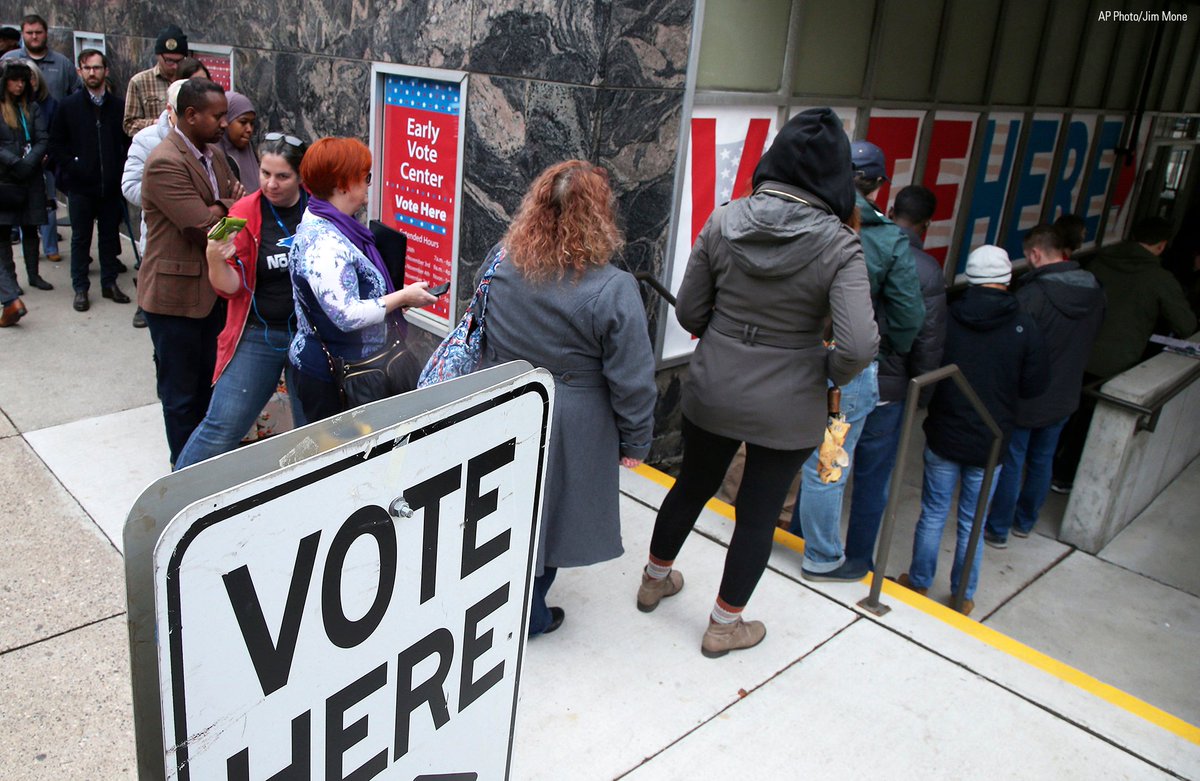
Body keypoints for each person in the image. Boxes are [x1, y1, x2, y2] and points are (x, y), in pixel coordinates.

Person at [641, 108, 878, 657]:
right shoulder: (840, 245)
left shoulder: (725, 221)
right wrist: (826, 371)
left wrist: (723, 339)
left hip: (713, 387)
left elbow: (690, 311)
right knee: (758, 513)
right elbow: (860, 344)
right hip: (790, 401)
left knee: (693, 484)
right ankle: (724, 625)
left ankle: (654, 581)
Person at [478, 160, 658, 637]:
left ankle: (493, 603)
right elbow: (633, 381)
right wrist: (636, 442)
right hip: (567, 423)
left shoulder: (500, 260)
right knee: (549, 523)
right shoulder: (613, 289)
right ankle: (531, 615)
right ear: (600, 215)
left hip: (497, 403)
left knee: (502, 511)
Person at [786, 141, 926, 582]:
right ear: (880, 185)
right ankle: (823, 557)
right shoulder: (884, 237)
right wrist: (886, 349)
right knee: (828, 464)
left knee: (780, 450)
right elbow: (908, 314)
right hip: (845, 370)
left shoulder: (804, 218)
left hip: (789, 355)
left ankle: (771, 529)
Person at [899, 246, 1048, 616]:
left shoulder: (949, 316)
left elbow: (928, 364)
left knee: (933, 511)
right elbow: (1034, 385)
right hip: (991, 440)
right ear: (1006, 279)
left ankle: (918, 581)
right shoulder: (1024, 324)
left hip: (945, 431)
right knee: (972, 521)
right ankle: (962, 596)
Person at [174, 134, 311, 469]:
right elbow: (229, 288)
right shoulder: (241, 213)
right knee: (222, 426)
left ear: (301, 177)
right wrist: (215, 257)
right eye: (265, 173)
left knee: (314, 429)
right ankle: (176, 499)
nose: (271, 184)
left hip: (309, 337)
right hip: (258, 335)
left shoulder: (317, 209)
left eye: (282, 176)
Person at [288, 136, 436, 422]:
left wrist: (392, 299)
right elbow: (347, 315)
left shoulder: (327, 218)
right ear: (343, 183)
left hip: (347, 370)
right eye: (364, 176)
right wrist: (403, 297)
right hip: (335, 379)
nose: (368, 183)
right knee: (344, 462)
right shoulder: (324, 244)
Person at [843, 184, 947, 572]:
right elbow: (925, 335)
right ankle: (857, 560)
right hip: (889, 386)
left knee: (826, 464)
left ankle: (804, 539)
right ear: (927, 223)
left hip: (842, 371)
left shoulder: (854, 240)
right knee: (872, 480)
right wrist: (921, 389)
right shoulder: (926, 268)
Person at [1052, 217, 1197, 491]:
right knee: (1088, 422)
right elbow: (1186, 325)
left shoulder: (1099, 262)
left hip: (1075, 350)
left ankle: (1042, 465)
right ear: (1162, 245)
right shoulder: (1159, 278)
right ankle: (1064, 476)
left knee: (1061, 414)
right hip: (1115, 363)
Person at [138, 79, 241, 466]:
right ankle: (182, 474)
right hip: (174, 302)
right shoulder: (165, 161)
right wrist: (222, 208)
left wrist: (221, 207)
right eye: (217, 116)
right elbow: (206, 230)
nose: (223, 123)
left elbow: (239, 201)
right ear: (191, 115)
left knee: (207, 389)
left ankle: (204, 467)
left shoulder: (212, 154)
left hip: (211, 294)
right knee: (181, 397)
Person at [983, 225, 1103, 547]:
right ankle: (1025, 521)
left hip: (1025, 397)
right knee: (1043, 459)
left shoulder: (1031, 296)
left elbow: (1009, 345)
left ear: (1035, 253)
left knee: (1012, 460)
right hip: (1065, 394)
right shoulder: (1094, 289)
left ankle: (997, 528)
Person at [49, 49, 131, 312]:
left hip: (109, 186)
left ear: (106, 71)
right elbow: (57, 144)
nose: (92, 73)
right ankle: (81, 288)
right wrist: (74, 167)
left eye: (97, 67)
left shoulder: (118, 106)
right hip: (81, 187)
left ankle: (109, 283)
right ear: (79, 72)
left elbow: (126, 143)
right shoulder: (68, 106)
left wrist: (119, 170)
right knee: (81, 238)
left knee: (108, 237)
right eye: (87, 68)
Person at [0, 60, 51, 296]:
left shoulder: (32, 107)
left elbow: (42, 139)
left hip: (30, 177)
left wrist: (28, 163)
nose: (19, 85)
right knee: (4, 230)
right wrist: (14, 162)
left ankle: (34, 274)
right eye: (14, 80)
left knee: (31, 227)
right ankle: (10, 279)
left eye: (22, 80)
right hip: (6, 177)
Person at [124, 24, 187, 136]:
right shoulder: (139, 82)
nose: (175, 66)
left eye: (179, 61)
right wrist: (156, 123)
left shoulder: (189, 79)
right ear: (158, 56)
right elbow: (129, 125)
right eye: (169, 61)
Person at [26, 60, 60, 264]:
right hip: (21, 164)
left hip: (45, 162)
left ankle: (50, 247)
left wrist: (46, 154)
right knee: (24, 209)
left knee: (49, 205)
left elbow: (54, 133)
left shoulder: (50, 104)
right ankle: (31, 253)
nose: (28, 83)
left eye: (32, 78)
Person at [1, 15, 79, 100]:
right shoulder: (8, 60)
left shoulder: (63, 64)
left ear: (46, 33)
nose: (34, 37)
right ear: (22, 34)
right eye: (29, 33)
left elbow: (77, 95)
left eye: (38, 32)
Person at [218, 92, 258, 193]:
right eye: (243, 122)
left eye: (252, 123)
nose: (249, 129)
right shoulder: (213, 158)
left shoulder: (252, 154)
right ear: (226, 121)